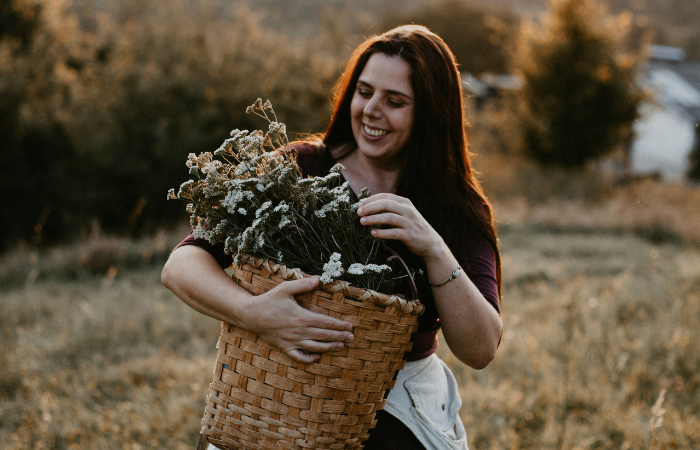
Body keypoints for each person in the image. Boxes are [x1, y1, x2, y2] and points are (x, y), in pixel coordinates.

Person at [162, 25, 502, 450]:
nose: (372, 110)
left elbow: (482, 348)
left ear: (432, 115)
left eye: (395, 101)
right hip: (275, 390)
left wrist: (432, 247)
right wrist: (252, 312)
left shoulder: (456, 208)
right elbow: (181, 265)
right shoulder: (299, 169)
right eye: (364, 92)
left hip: (393, 402)